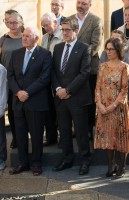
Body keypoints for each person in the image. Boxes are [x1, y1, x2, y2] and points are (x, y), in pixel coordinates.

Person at [7, 27, 52, 176]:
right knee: (20, 134)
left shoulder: (45, 55)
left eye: (28, 36)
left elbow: (44, 78)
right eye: (23, 36)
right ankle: (22, 162)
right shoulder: (16, 54)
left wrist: (27, 92)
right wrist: (18, 92)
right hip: (18, 101)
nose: (24, 38)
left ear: (36, 38)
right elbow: (11, 76)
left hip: (36, 101)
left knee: (36, 134)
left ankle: (36, 163)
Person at [51, 18, 92, 175]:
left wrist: (68, 90)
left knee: (81, 132)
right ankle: (67, 159)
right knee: (64, 130)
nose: (65, 33)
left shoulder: (84, 48)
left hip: (77, 97)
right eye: (62, 30)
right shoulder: (58, 48)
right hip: (60, 98)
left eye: (68, 29)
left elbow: (84, 73)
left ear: (76, 31)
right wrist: (58, 88)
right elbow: (54, 71)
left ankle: (85, 161)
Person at [94, 37, 129, 178]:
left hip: (119, 108)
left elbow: (125, 89)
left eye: (111, 49)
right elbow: (97, 87)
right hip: (103, 108)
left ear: (118, 50)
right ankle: (111, 165)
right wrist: (99, 104)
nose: (108, 51)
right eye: (106, 49)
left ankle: (122, 166)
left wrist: (113, 105)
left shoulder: (124, 67)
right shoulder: (102, 66)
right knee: (108, 137)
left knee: (120, 137)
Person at [69, 0, 102, 139]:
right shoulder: (68, 20)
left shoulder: (95, 20)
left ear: (90, 4)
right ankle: (76, 129)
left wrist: (79, 58)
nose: (80, 6)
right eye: (79, 2)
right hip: (71, 69)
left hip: (89, 68)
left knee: (88, 101)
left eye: (84, 3)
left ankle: (88, 129)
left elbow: (96, 44)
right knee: (73, 99)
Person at [0, 11, 24, 149]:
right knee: (13, 113)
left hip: (23, 81)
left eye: (15, 22)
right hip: (6, 82)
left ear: (20, 22)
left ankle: (26, 137)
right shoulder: (3, 40)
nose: (12, 25)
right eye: (9, 22)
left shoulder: (26, 37)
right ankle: (15, 138)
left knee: (23, 112)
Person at [41, 12, 63, 147]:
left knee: (60, 110)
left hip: (60, 77)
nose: (45, 28)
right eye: (43, 26)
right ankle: (51, 137)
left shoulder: (62, 35)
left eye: (47, 25)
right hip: (47, 77)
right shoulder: (44, 37)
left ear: (55, 23)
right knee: (48, 109)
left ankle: (63, 138)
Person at [0, 64, 8, 170]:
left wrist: (1, 109)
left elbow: (3, 91)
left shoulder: (1, 69)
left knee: (0, 135)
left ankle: (1, 159)